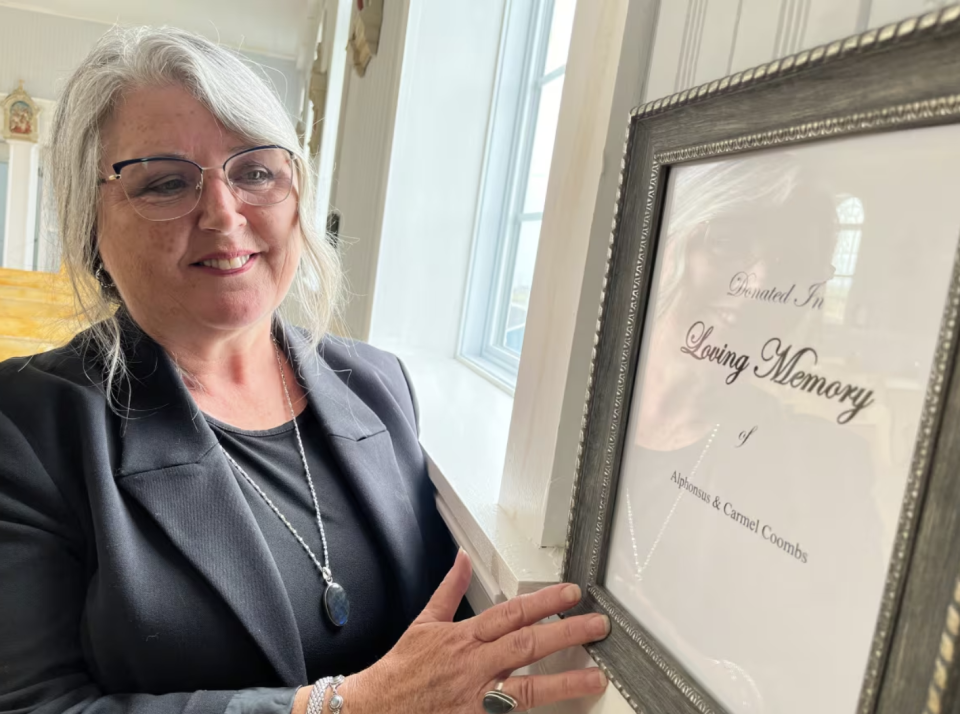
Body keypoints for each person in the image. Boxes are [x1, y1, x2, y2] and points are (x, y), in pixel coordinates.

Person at [0, 26, 609, 714]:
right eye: (167, 183)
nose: (225, 215)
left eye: (256, 172)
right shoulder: (26, 427)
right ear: (91, 227)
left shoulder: (379, 387)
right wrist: (339, 707)